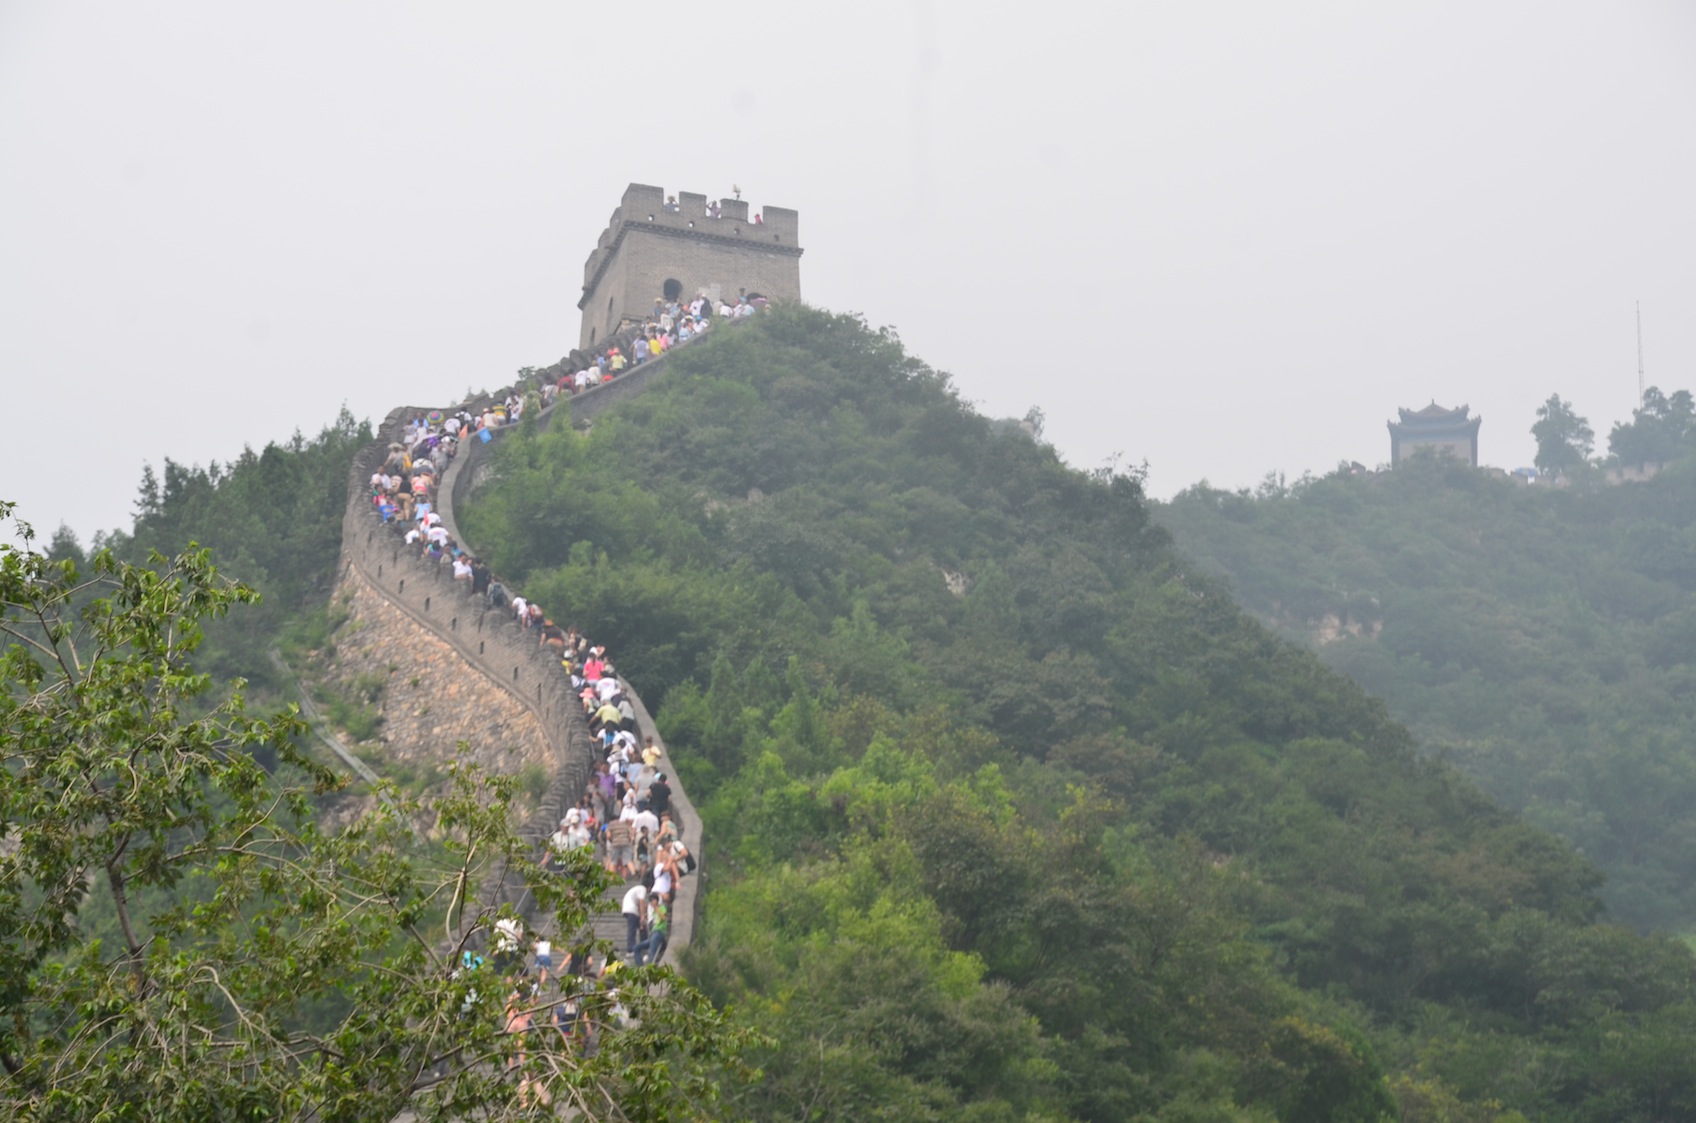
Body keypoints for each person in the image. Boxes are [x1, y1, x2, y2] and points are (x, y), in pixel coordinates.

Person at [620, 882, 648, 955]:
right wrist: (642, 916)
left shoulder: (637, 889)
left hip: (627, 908)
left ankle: (643, 945)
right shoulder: (643, 889)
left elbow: (639, 904)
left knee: (641, 927)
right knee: (632, 929)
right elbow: (641, 903)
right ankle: (631, 949)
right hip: (631, 909)